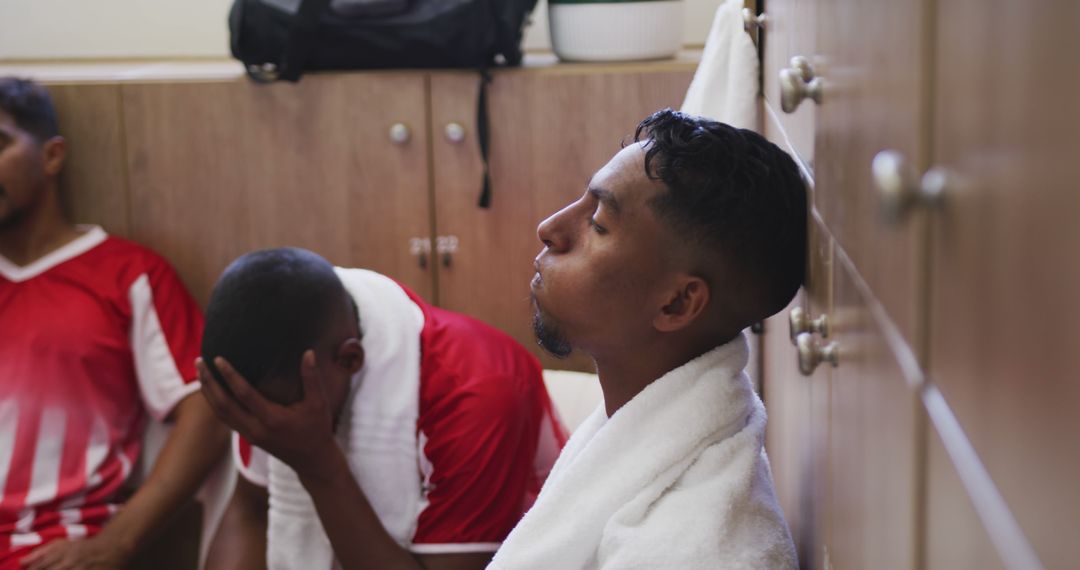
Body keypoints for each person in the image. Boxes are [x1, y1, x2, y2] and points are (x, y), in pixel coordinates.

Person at [489, 109, 804, 569]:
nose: (550, 229)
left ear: (677, 304)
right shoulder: (642, 438)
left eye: (597, 223)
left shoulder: (696, 551)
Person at [198, 248, 566, 570]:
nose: (264, 424)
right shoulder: (275, 365)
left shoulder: (479, 392)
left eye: (274, 409)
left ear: (350, 359)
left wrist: (318, 465)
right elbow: (251, 509)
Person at [0, 77, 229, 569]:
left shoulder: (128, 276)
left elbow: (206, 411)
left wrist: (116, 543)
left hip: (47, 549)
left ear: (52, 156)